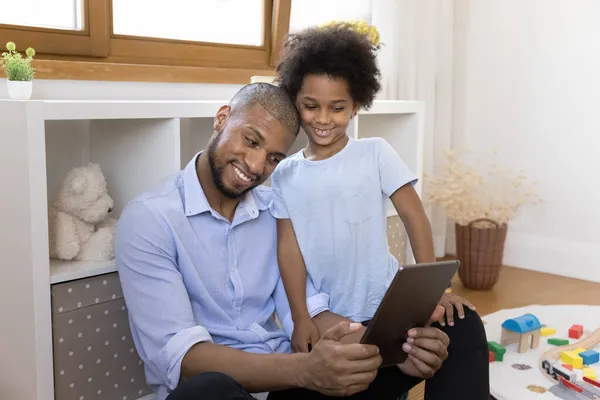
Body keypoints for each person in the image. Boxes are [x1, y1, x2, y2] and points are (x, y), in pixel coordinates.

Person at [115, 82, 452, 400]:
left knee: (451, 334)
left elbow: (306, 312)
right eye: (251, 140)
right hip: (232, 388)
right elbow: (182, 360)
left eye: (275, 158)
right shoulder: (149, 219)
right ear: (221, 119)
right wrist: (305, 370)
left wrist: (397, 351)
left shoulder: (273, 214)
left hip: (287, 385)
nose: (256, 165)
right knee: (210, 389)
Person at [270, 23, 490, 397]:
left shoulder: (375, 152)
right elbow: (288, 251)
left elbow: (414, 216)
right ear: (295, 101)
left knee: (463, 322)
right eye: (311, 106)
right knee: (360, 369)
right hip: (339, 322)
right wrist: (301, 317)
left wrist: (435, 289)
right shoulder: (284, 175)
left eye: (337, 108)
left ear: (356, 104)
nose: (323, 118)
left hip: (395, 307)